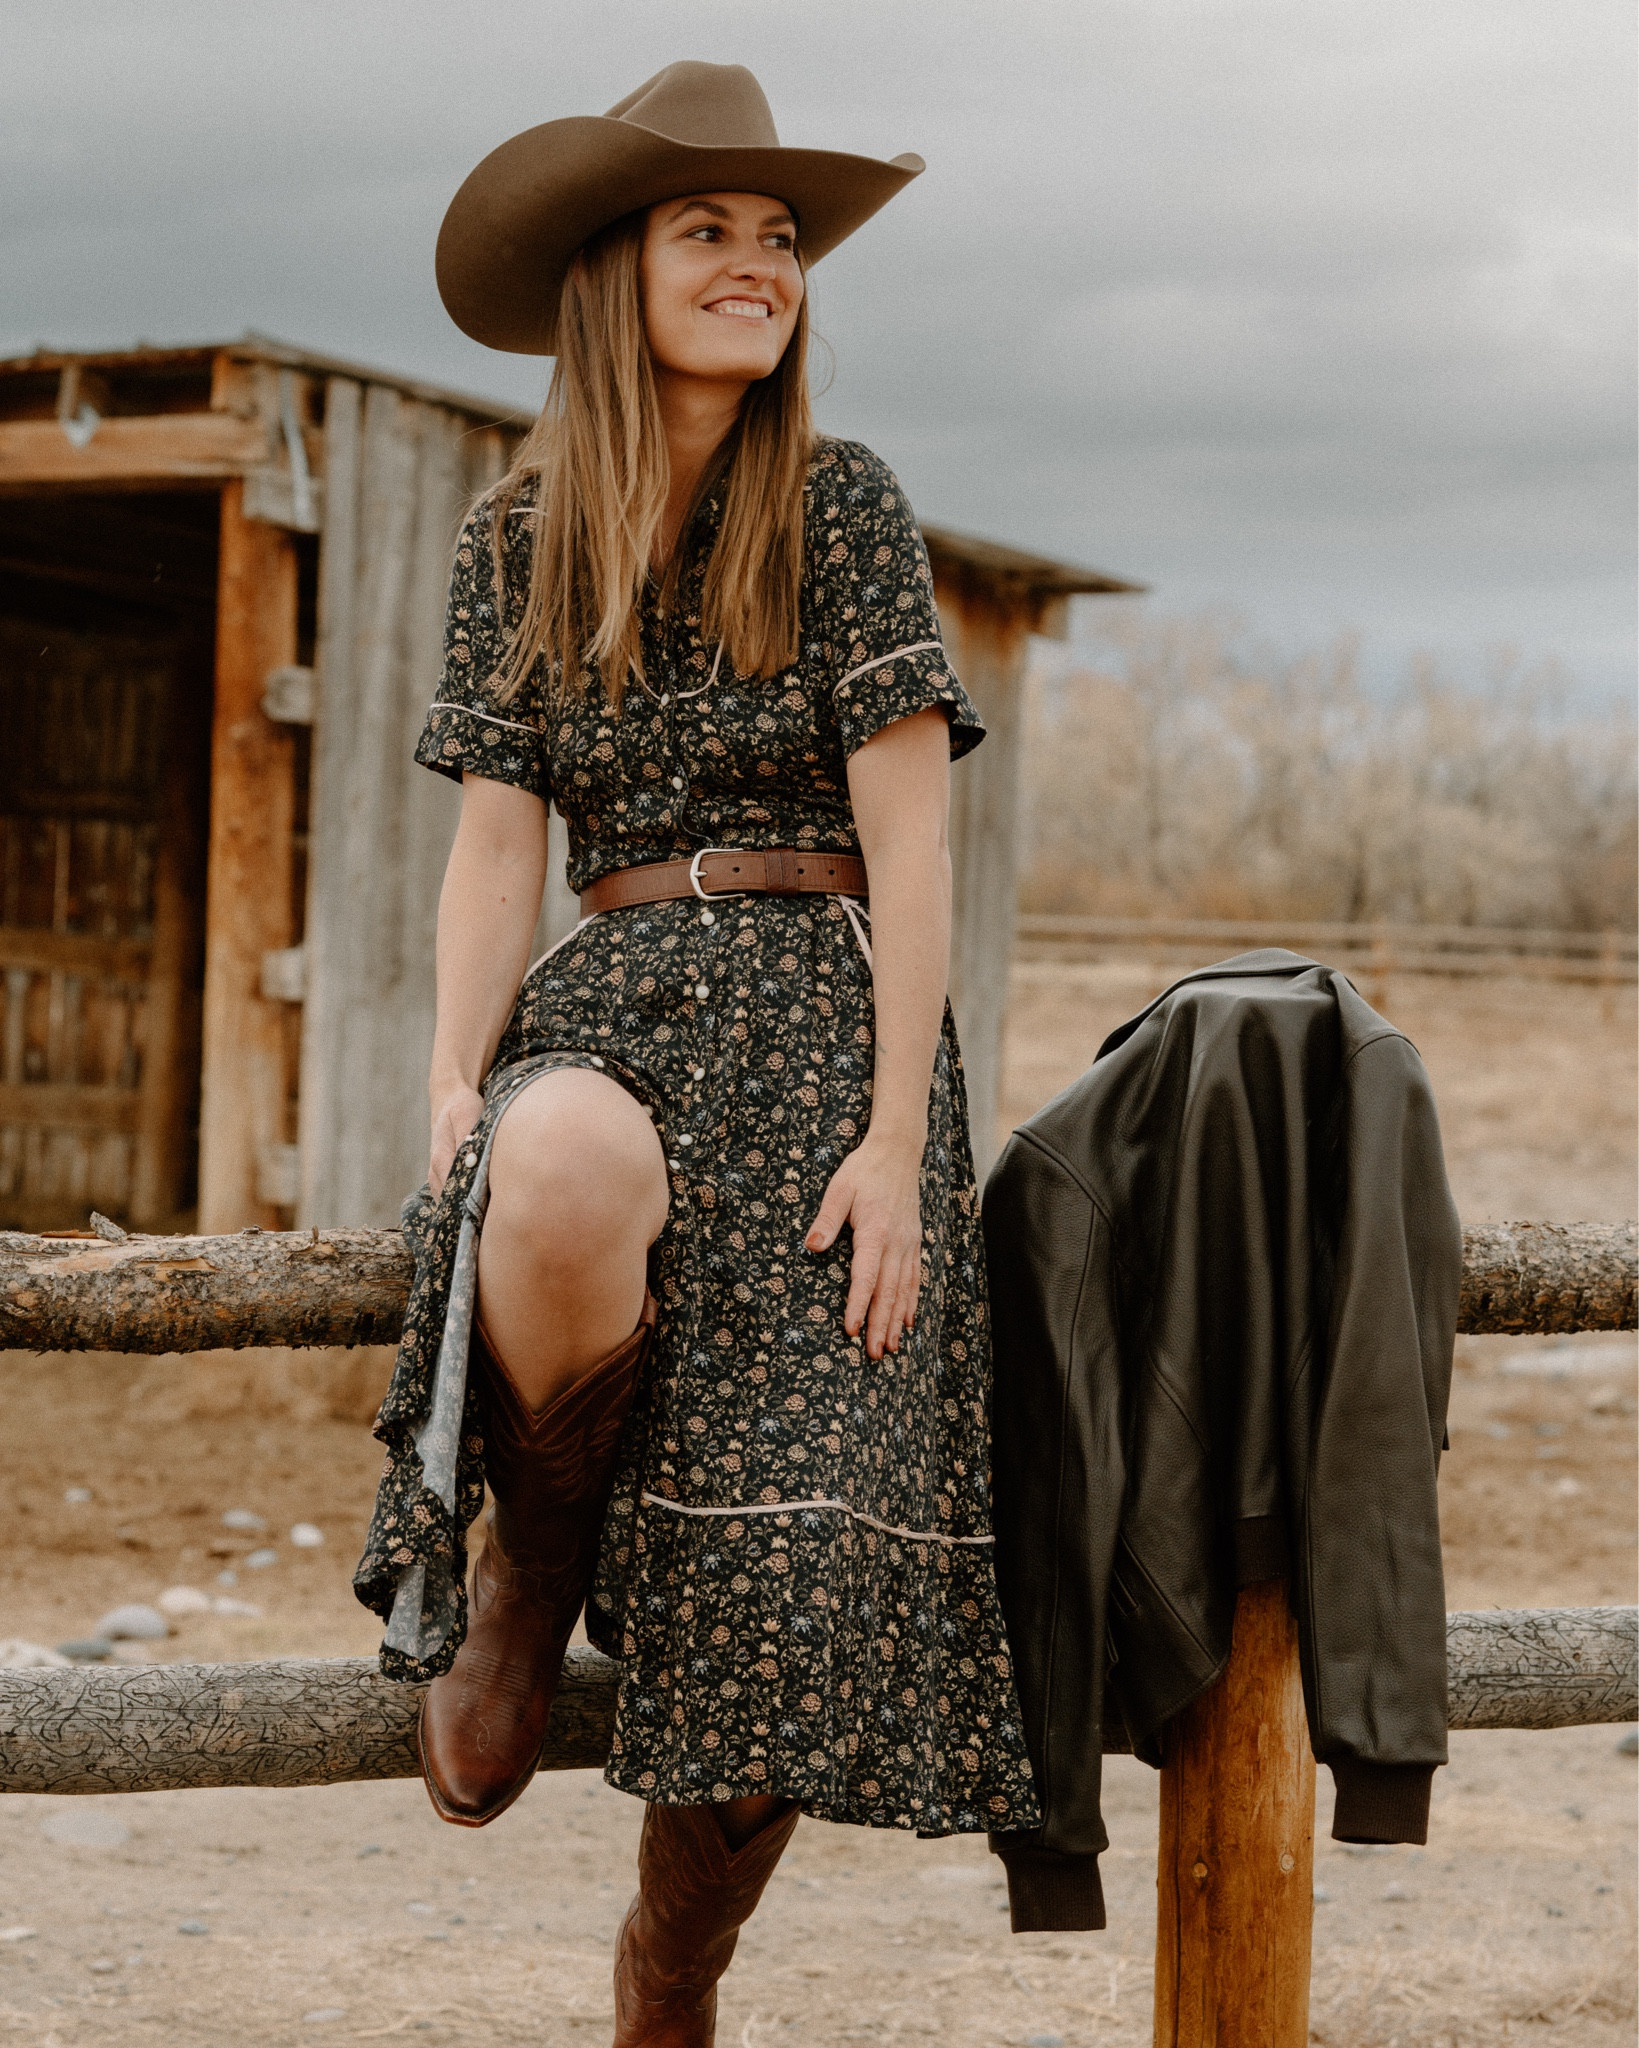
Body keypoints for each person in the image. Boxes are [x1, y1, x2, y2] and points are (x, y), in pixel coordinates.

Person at [353, 61, 1039, 2044]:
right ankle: (530, 1563)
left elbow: (913, 845)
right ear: (609, 271)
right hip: (619, 988)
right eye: (705, 231)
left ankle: (670, 1976)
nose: (757, 265)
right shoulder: (517, 530)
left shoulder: (840, 505)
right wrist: (452, 1074)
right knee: (549, 1175)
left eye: (779, 239)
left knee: (805, 1562)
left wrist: (901, 1128)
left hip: (829, 1025)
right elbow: (497, 841)